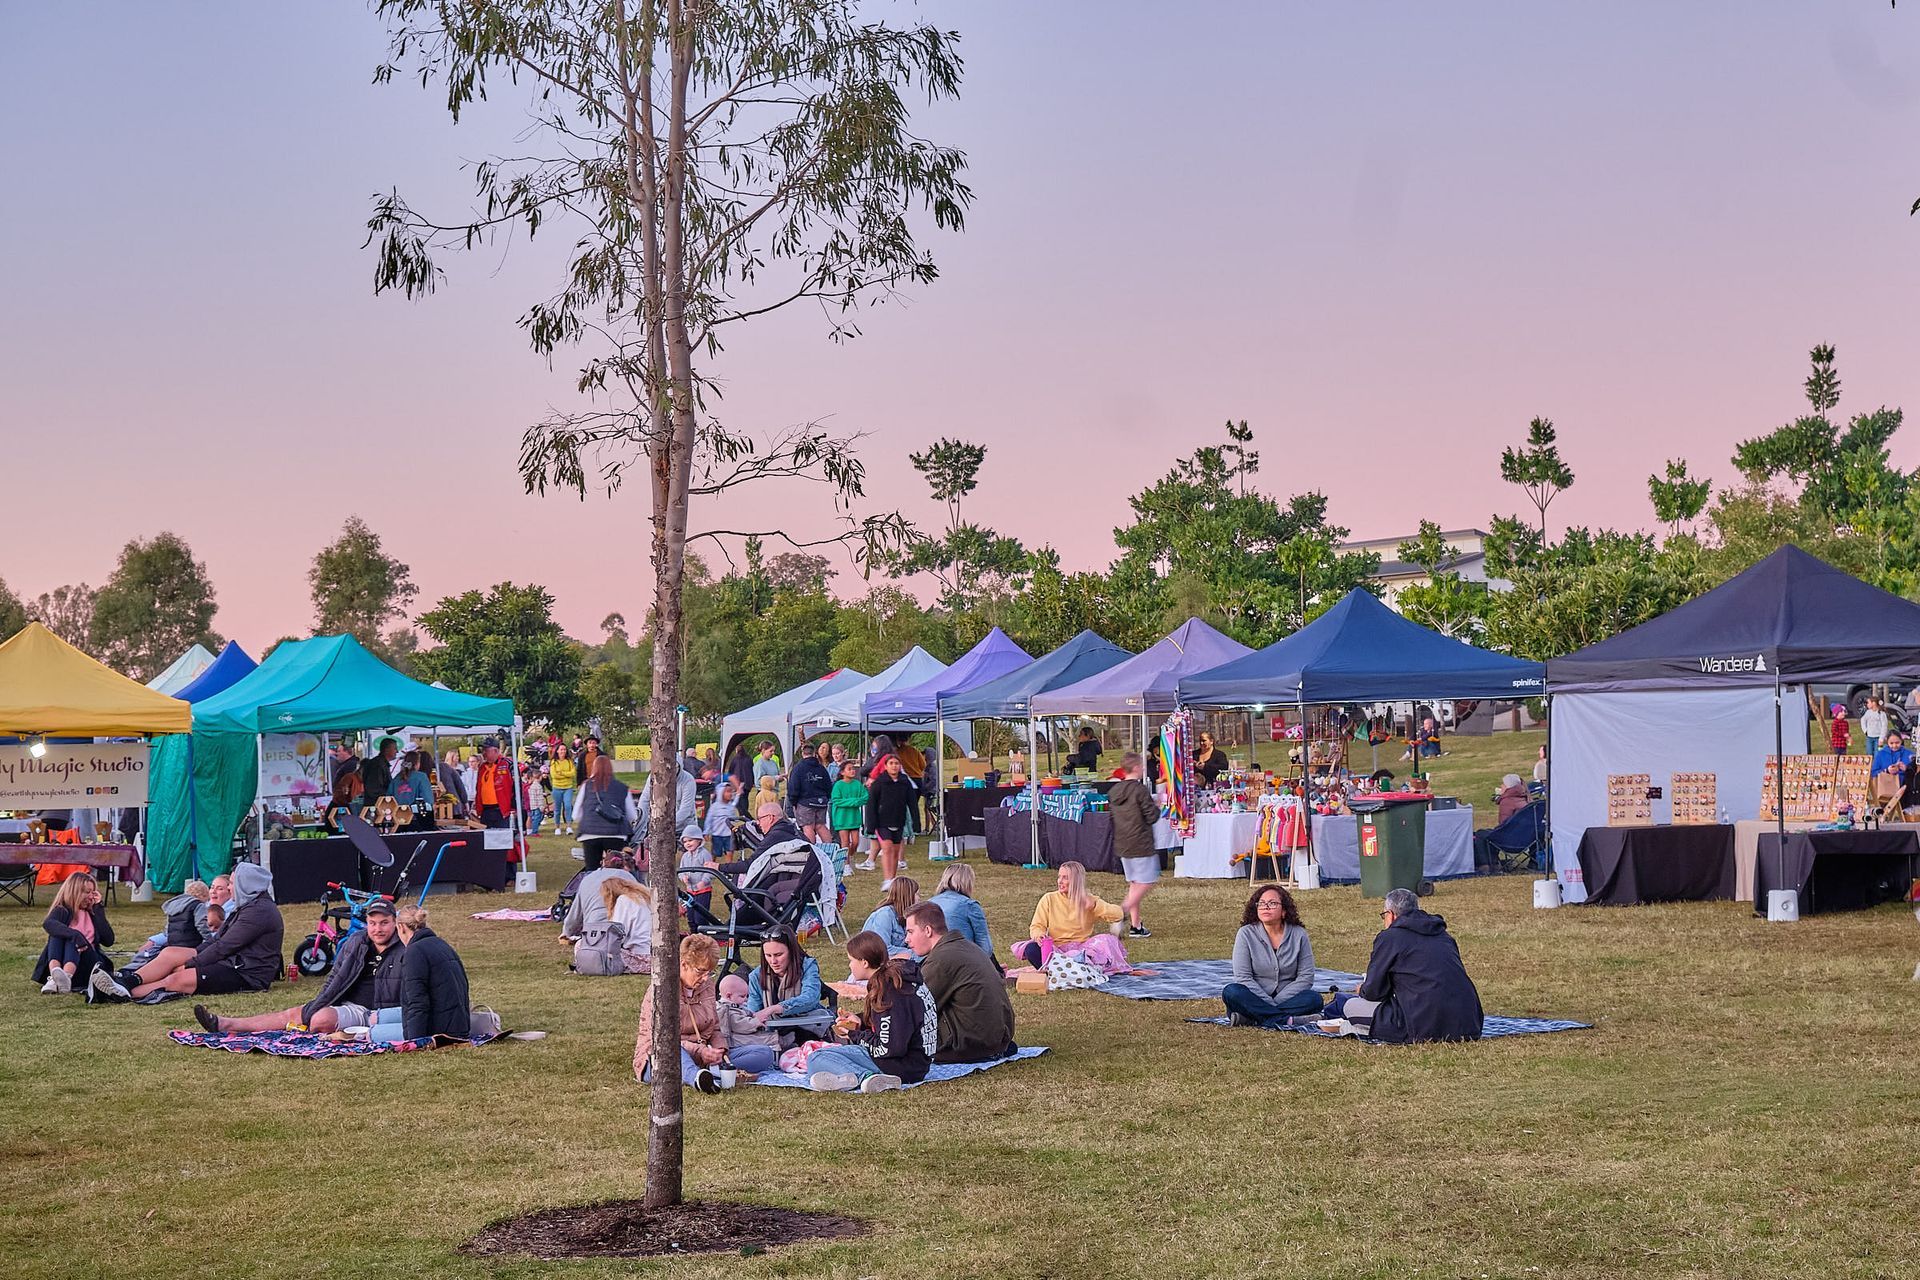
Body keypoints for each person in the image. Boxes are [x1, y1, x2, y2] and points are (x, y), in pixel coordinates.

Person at [193, 896, 406, 1035]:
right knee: (301, 1014)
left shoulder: (406, 947)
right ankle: (225, 1024)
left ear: (395, 923)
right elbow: (335, 978)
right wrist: (317, 1005)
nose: (377, 929)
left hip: (385, 1014)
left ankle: (349, 1033)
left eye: (384, 923)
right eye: (372, 923)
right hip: (353, 1007)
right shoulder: (357, 942)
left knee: (318, 1020)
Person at [1326, 887, 1482, 1043]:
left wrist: (1363, 990)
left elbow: (1374, 992)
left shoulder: (1390, 938)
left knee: (1346, 1004)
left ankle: (1349, 1026)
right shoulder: (1443, 935)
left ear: (1391, 915)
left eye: (1383, 915)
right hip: (1469, 1023)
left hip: (1421, 1025)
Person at [117, 862, 284, 1002]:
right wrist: (189, 958)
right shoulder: (247, 906)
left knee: (177, 979)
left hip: (246, 973)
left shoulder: (259, 912)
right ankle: (127, 981)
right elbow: (215, 940)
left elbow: (224, 946)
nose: (230, 888)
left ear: (244, 885)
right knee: (171, 953)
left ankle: (122, 995)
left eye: (232, 884)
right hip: (232, 961)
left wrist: (190, 964)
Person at [805, 929, 933, 1092]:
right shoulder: (900, 982)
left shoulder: (888, 993)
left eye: (851, 960)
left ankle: (864, 1077)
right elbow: (895, 1026)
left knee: (817, 1057)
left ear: (864, 962)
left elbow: (887, 1048)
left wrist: (854, 1035)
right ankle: (859, 1076)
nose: (849, 965)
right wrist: (862, 1021)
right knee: (827, 1056)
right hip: (917, 1063)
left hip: (900, 1065)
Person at [905, 901, 1016, 1064]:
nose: (906, 939)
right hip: (997, 1040)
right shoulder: (966, 946)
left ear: (928, 930)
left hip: (970, 1045)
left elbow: (912, 1008)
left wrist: (868, 1024)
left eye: (910, 932)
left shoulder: (942, 959)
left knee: (896, 1042)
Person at [633, 933, 727, 1092]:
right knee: (672, 1051)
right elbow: (663, 1038)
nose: (705, 978)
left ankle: (712, 1072)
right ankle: (697, 1078)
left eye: (710, 972)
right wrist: (700, 1051)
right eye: (701, 971)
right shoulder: (663, 989)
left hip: (702, 1054)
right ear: (684, 964)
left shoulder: (708, 985)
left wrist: (720, 1051)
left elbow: (715, 1027)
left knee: (762, 1053)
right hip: (659, 1056)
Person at [1221, 884, 1321, 1027]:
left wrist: (1274, 1003)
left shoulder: (1299, 934)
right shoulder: (1245, 933)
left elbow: (1306, 978)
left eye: (1272, 903)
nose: (1266, 907)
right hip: (1253, 995)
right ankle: (1286, 1020)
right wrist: (1265, 1001)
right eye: (1261, 903)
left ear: (1284, 911)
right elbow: (1243, 977)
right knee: (1231, 991)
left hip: (1288, 997)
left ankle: (1252, 1018)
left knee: (1314, 999)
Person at [1013, 860, 1128, 975]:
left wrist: (1095, 906)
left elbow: (1118, 915)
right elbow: (1037, 926)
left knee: (1107, 940)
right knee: (1031, 949)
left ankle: (1071, 970)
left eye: (1065, 878)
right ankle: (1064, 971)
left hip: (1082, 950)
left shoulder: (1088, 900)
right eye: (1059, 877)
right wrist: (1039, 936)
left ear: (1076, 881)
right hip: (1056, 950)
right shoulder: (1049, 899)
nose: (1060, 881)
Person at [395, 903, 471, 1040]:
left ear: (401, 927)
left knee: (371, 1032)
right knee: (382, 1018)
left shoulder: (414, 952)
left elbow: (417, 1002)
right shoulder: (441, 944)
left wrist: (414, 1041)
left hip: (439, 1031)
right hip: (458, 1024)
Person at [33, 872, 115, 995]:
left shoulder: (93, 913)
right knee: (58, 933)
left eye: (93, 892)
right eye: (87, 892)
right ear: (74, 892)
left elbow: (109, 941)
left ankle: (65, 976)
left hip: (89, 964)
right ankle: (55, 977)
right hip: (65, 959)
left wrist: (98, 908)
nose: (91, 897)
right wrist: (75, 935)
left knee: (72, 938)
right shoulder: (62, 910)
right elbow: (48, 923)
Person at [1108, 751, 1161, 938]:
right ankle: (1121, 913)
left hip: (1123, 843)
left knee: (1135, 884)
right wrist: (1158, 805)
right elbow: (1151, 816)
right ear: (1137, 768)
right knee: (1147, 881)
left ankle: (1136, 926)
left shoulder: (1114, 791)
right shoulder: (1140, 790)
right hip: (1141, 843)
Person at [744, 931, 829, 1045]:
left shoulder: (808, 966)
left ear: (791, 952)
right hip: (772, 1034)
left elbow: (811, 998)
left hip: (809, 1028)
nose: (773, 961)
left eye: (778, 955)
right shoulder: (756, 976)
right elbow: (754, 1010)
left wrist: (775, 1008)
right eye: (768, 956)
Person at [560, 850, 642, 941]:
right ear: (623, 865)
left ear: (602, 863)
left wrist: (566, 933)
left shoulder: (587, 879)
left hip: (592, 935)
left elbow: (575, 914)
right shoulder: (629, 878)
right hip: (621, 935)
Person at [574, 755, 636, 872]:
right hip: (615, 833)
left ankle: (592, 888)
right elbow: (632, 815)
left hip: (590, 833)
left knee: (591, 869)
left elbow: (576, 814)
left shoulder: (586, 786)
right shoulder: (622, 787)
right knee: (616, 868)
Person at [865, 753, 918, 888]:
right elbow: (871, 805)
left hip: (899, 821)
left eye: (896, 763)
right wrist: (870, 825)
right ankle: (887, 878)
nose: (894, 766)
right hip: (881, 822)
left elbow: (912, 803)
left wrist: (916, 823)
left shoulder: (905, 782)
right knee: (887, 848)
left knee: (895, 850)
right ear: (885, 766)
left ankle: (893, 879)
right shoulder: (879, 783)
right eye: (891, 763)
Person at [713, 973, 781, 1074]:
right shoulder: (725, 1010)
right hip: (734, 1044)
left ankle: (783, 1042)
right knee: (766, 1051)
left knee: (766, 1048)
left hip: (739, 1042)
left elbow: (745, 1014)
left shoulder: (734, 1005)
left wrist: (752, 1015)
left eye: (747, 996)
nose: (745, 999)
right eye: (742, 996)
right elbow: (742, 1025)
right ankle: (724, 1068)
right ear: (729, 995)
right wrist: (756, 1022)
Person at [928, 862, 993, 959]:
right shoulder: (970, 905)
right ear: (968, 882)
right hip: (964, 961)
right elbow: (985, 946)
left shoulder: (929, 903)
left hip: (932, 958)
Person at [600, 877, 655, 974]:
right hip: (653, 955)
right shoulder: (644, 898)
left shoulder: (624, 900)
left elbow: (618, 934)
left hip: (640, 956)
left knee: (582, 945)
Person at [788, 740, 836, 843]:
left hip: (805, 802)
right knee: (821, 826)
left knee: (808, 827)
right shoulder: (821, 768)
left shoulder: (798, 769)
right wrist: (825, 798)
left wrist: (793, 802)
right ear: (814, 753)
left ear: (802, 753)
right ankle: (831, 850)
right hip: (821, 801)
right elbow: (828, 785)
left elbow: (793, 788)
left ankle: (812, 852)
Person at [636, 763, 697, 843]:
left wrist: (664, 827)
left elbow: (685, 810)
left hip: (683, 828)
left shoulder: (688, 780)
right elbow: (645, 799)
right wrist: (641, 822)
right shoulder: (653, 777)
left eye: (672, 768)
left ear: (679, 767)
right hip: (657, 827)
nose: (668, 771)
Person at [861, 875, 919, 959]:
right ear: (907, 896)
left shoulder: (907, 915)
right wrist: (914, 954)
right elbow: (883, 949)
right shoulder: (884, 915)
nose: (919, 898)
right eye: (916, 894)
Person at [829, 761, 869, 866]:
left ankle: (849, 856)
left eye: (853, 768)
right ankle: (846, 865)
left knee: (856, 842)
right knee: (845, 842)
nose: (853, 771)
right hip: (841, 818)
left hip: (854, 818)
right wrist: (854, 802)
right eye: (849, 769)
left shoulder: (857, 784)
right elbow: (837, 800)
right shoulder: (838, 785)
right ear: (842, 772)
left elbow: (865, 797)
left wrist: (854, 802)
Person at [675, 825, 716, 924]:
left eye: (690, 840)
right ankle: (693, 936)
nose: (688, 844)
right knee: (691, 918)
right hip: (690, 892)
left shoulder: (704, 854)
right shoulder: (685, 856)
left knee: (700, 917)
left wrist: (703, 882)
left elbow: (710, 871)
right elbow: (681, 871)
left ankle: (703, 935)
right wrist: (683, 877)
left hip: (703, 891)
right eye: (685, 841)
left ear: (699, 840)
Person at [473, 738, 515, 829]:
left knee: (502, 838)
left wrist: (514, 808)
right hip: (485, 810)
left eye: (486, 750)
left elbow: (516, 787)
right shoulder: (482, 767)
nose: (483, 753)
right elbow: (479, 788)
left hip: (501, 811)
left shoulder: (508, 764)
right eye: (483, 750)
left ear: (495, 751)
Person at [392, 750, 436, 830]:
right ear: (417, 764)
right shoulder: (421, 777)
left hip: (397, 821)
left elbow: (389, 797)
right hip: (417, 820)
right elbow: (428, 800)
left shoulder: (396, 778)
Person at [1872, 729, 1916, 808]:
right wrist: (1887, 771)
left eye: (1897, 743)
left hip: (1905, 789)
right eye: (1891, 743)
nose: (1894, 746)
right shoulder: (1881, 754)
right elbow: (1873, 772)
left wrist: (1907, 769)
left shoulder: (1909, 754)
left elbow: (1916, 772)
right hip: (1886, 787)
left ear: (1901, 741)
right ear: (1887, 742)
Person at [704, 780, 740, 859]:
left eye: (731, 792)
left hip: (729, 835)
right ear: (721, 793)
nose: (730, 794)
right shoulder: (714, 807)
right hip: (717, 835)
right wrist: (706, 832)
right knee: (715, 853)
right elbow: (709, 819)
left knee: (730, 853)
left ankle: (728, 869)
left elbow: (734, 818)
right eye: (728, 792)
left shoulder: (731, 807)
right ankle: (711, 867)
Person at [548, 746, 578, 835]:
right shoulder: (554, 762)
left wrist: (561, 773)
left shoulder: (569, 761)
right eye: (561, 749)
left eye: (564, 749)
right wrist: (566, 774)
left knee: (568, 806)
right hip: (557, 787)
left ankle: (569, 826)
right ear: (557, 751)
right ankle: (557, 827)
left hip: (568, 787)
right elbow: (554, 775)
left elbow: (573, 773)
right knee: (557, 808)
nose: (563, 751)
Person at [438, 749, 470, 819]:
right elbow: (460, 785)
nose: (458, 758)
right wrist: (465, 802)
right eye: (456, 756)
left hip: (446, 806)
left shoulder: (443, 768)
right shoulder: (446, 767)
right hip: (454, 804)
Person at [523, 766, 547, 836]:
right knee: (536, 819)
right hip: (536, 806)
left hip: (532, 805)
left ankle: (531, 831)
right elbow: (539, 798)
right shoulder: (538, 786)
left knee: (532, 818)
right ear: (540, 777)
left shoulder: (531, 786)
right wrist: (541, 807)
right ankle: (534, 831)